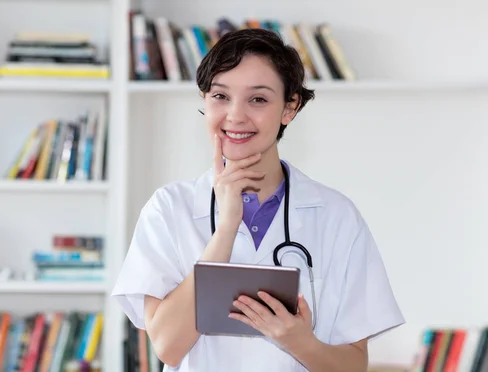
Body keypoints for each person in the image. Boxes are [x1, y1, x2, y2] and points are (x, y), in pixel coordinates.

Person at [112, 28, 404, 371]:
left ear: (289, 107)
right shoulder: (168, 208)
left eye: (258, 99)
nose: (235, 115)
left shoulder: (335, 216)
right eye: (220, 96)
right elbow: (168, 348)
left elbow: (353, 366)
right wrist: (224, 231)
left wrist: (299, 341)